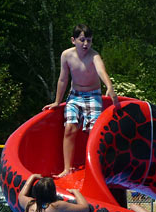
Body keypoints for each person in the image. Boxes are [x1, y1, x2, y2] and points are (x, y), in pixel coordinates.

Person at [43, 24, 120, 178]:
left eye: (89, 41)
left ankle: (95, 166)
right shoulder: (66, 55)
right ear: (73, 40)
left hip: (93, 95)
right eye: (82, 40)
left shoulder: (94, 56)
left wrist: (110, 87)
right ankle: (67, 168)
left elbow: (101, 71)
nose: (86, 44)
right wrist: (57, 101)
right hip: (75, 95)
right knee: (70, 128)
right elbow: (63, 79)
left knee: (94, 132)